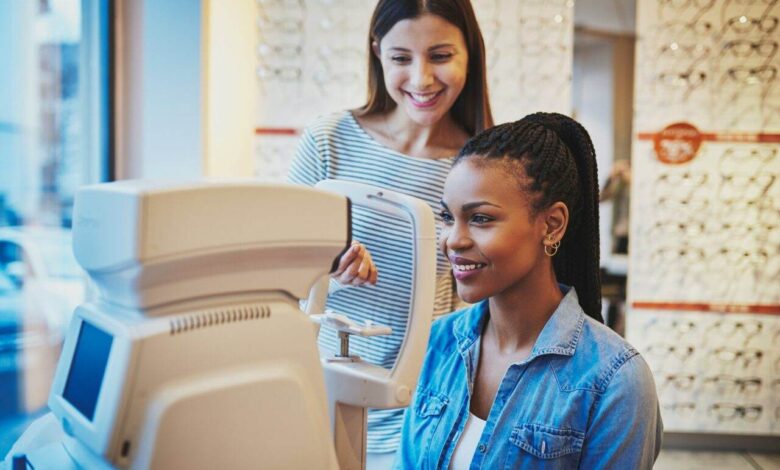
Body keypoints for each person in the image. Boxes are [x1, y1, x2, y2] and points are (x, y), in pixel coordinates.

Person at [286, 0, 493, 466]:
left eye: (441, 56)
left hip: (431, 400)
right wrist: (326, 263)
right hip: (323, 385)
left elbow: (489, 298)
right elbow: (277, 272)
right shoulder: (328, 141)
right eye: (402, 58)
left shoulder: (483, 165)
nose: (421, 79)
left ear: (470, 55)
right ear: (378, 52)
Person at [396, 113, 662, 469]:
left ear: (551, 225)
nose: (453, 240)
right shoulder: (437, 343)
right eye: (448, 217)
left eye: (480, 219)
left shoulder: (615, 382)